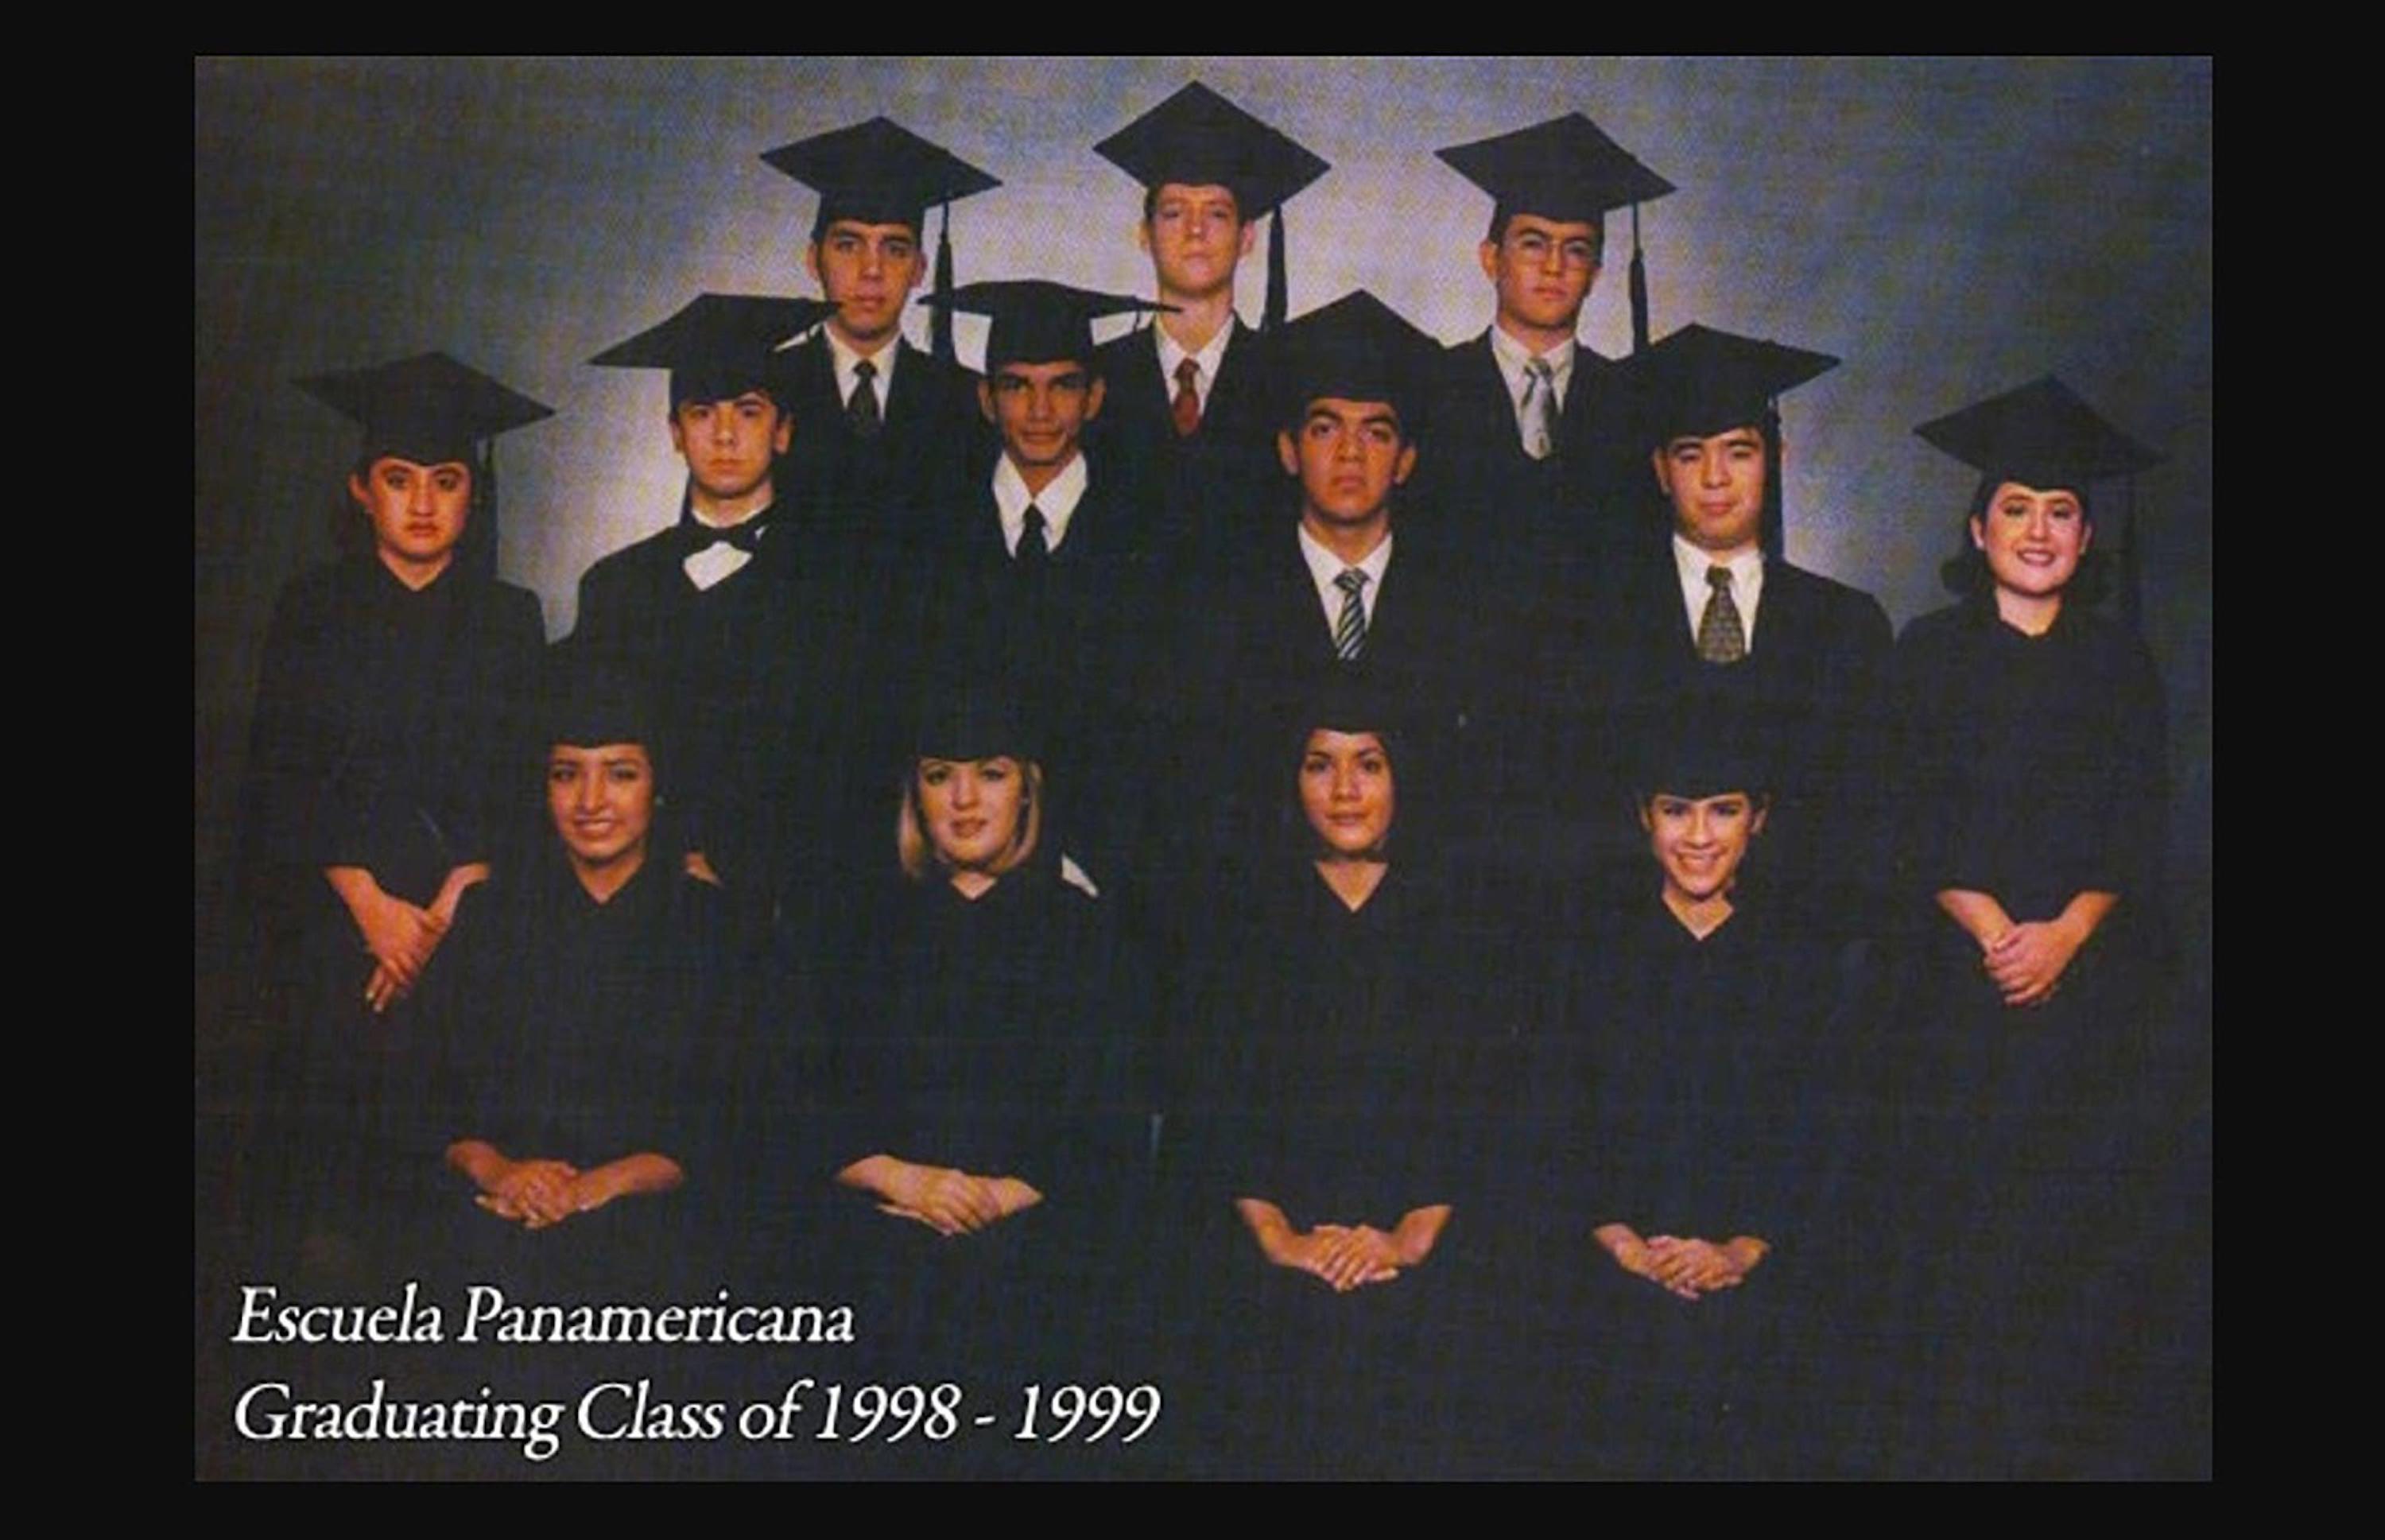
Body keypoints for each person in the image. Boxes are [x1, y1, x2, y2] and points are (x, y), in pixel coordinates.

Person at [1892, 375, 2170, 1476]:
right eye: (2017, 508)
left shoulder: (2119, 663)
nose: (2039, 530)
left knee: (2079, 1243)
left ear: (2089, 532)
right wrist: (2000, 927)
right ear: (1977, 524)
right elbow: (1902, 819)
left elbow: (2140, 825)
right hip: (1957, 992)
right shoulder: (1927, 654)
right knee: (1965, 1244)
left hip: (2091, 998)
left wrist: (2064, 934)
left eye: (2061, 511)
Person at [238, 351, 549, 1262]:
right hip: (335, 929)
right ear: (362, 489)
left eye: (446, 481)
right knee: (322, 1211)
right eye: (400, 479)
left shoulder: (510, 618)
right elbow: (277, 777)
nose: (422, 501)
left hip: (466, 931)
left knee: (445, 1208)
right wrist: (371, 908)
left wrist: (449, 909)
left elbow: (523, 788)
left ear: (471, 496)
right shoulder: (310, 611)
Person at [1177, 679, 1527, 1477]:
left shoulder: (1463, 917)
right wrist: (1281, 1238)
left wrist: (1410, 1234)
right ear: (1288, 778)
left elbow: (1483, 1099)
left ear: (1403, 776)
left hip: (1430, 1233)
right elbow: (1215, 1100)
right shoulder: (1240, 918)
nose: (1344, 790)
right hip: (1271, 1233)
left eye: (1368, 763)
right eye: (1318, 764)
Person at [817, 692, 1148, 1394]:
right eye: (940, 776)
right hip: (879, 1228)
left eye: (991, 774)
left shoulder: (1085, 934)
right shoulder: (858, 930)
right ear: (916, 794)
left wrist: (996, 1196)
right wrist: (907, 1181)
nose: (964, 799)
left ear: (1028, 791)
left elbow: (1108, 1119)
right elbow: (807, 1101)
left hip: (1039, 1234)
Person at [1545, 716, 1843, 1477]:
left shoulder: (1803, 965)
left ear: (1760, 818)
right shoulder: (1588, 954)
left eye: (1724, 809)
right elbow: (1564, 1129)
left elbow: (1818, 1141)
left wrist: (1740, 1251)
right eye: (1677, 809)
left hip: (1763, 1278)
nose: (1700, 836)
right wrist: (1628, 1248)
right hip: (1608, 1275)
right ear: (1643, 814)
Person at [578, 292, 897, 944]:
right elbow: (598, 764)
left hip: (803, 913)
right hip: (647, 907)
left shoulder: (846, 586)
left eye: (748, 413)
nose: (725, 435)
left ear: (783, 430)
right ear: (674, 432)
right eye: (703, 413)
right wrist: (673, 857)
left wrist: (743, 868)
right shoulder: (616, 588)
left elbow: (859, 768)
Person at [1187, 289, 1522, 892]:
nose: (1349, 453)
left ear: (1406, 460)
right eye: (1324, 428)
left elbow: (1484, 792)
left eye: (1376, 433)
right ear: (1289, 451)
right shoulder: (1222, 601)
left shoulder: (1468, 606)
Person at [436, 653, 745, 1294]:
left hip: (660, 1224)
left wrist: (603, 1184)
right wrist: (501, 1172)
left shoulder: (715, 927)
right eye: (566, 773)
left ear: (658, 788)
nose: (591, 801)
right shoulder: (491, 916)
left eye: (621, 773)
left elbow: (733, 1117)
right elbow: (426, 1090)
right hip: (497, 1214)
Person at [1573, 324, 1893, 931]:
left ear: (1775, 459)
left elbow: (1867, 813)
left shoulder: (1846, 626)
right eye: (1691, 453)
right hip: (1632, 948)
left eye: (1739, 451)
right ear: (1662, 470)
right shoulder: (1595, 619)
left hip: (1801, 948)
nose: (1715, 478)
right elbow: (1584, 804)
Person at [912, 279, 1177, 902]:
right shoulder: (926, 536)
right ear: (985, 398)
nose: (1039, 410)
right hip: (955, 870)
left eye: (1062, 384)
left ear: (1094, 397)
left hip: (1114, 874)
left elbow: (1161, 734)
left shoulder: (1153, 541)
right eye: (1016, 386)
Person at [1423, 112, 1676, 574]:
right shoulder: (1431, 387)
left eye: (1576, 249)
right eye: (1533, 244)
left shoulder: (1636, 403)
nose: (1555, 266)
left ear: (1595, 274)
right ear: (1491, 259)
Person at [1089, 80, 1329, 565]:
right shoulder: (1094, 378)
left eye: (1216, 214)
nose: (1195, 230)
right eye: (1175, 212)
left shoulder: (1295, 380)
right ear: (1144, 234)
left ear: (1246, 238)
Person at [761, 116, 999, 541]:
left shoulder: (966, 403)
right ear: (813, 260)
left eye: (895, 248)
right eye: (848, 246)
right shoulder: (761, 390)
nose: (872, 271)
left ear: (920, 269)